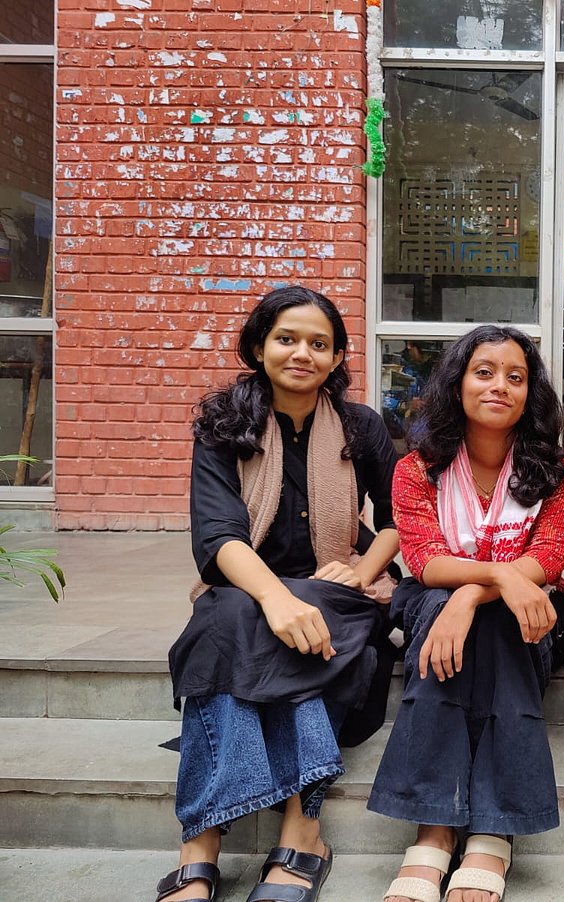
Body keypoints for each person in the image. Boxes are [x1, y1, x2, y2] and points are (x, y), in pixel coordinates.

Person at [161, 286, 400, 902]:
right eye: (287, 339)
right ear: (259, 345)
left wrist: (365, 568)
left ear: (337, 356)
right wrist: (276, 599)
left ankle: (288, 826)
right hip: (250, 587)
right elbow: (216, 538)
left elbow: (400, 518)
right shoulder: (223, 425)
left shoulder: (360, 426)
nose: (303, 354)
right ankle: (224, 838)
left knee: (299, 620)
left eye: (319, 344)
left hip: (335, 584)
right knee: (228, 617)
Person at [368, 325, 564, 902]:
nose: (499, 387)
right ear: (457, 383)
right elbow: (426, 561)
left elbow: (549, 558)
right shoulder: (417, 468)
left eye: (516, 377)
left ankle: (466, 829)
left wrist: (474, 592)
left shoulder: (556, 468)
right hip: (438, 600)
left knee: (494, 618)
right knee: (453, 607)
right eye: (484, 372)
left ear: (530, 392)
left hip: (529, 611)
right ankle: (462, 828)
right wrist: (496, 575)